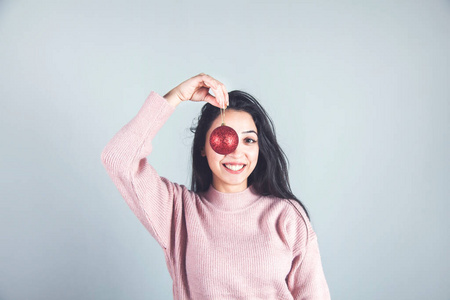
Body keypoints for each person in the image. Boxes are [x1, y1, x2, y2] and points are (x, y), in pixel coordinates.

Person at [101, 74, 331, 299]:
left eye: (249, 140)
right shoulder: (178, 211)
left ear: (259, 149)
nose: (236, 151)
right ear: (203, 147)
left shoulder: (286, 216)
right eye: (223, 137)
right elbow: (119, 159)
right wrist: (176, 96)